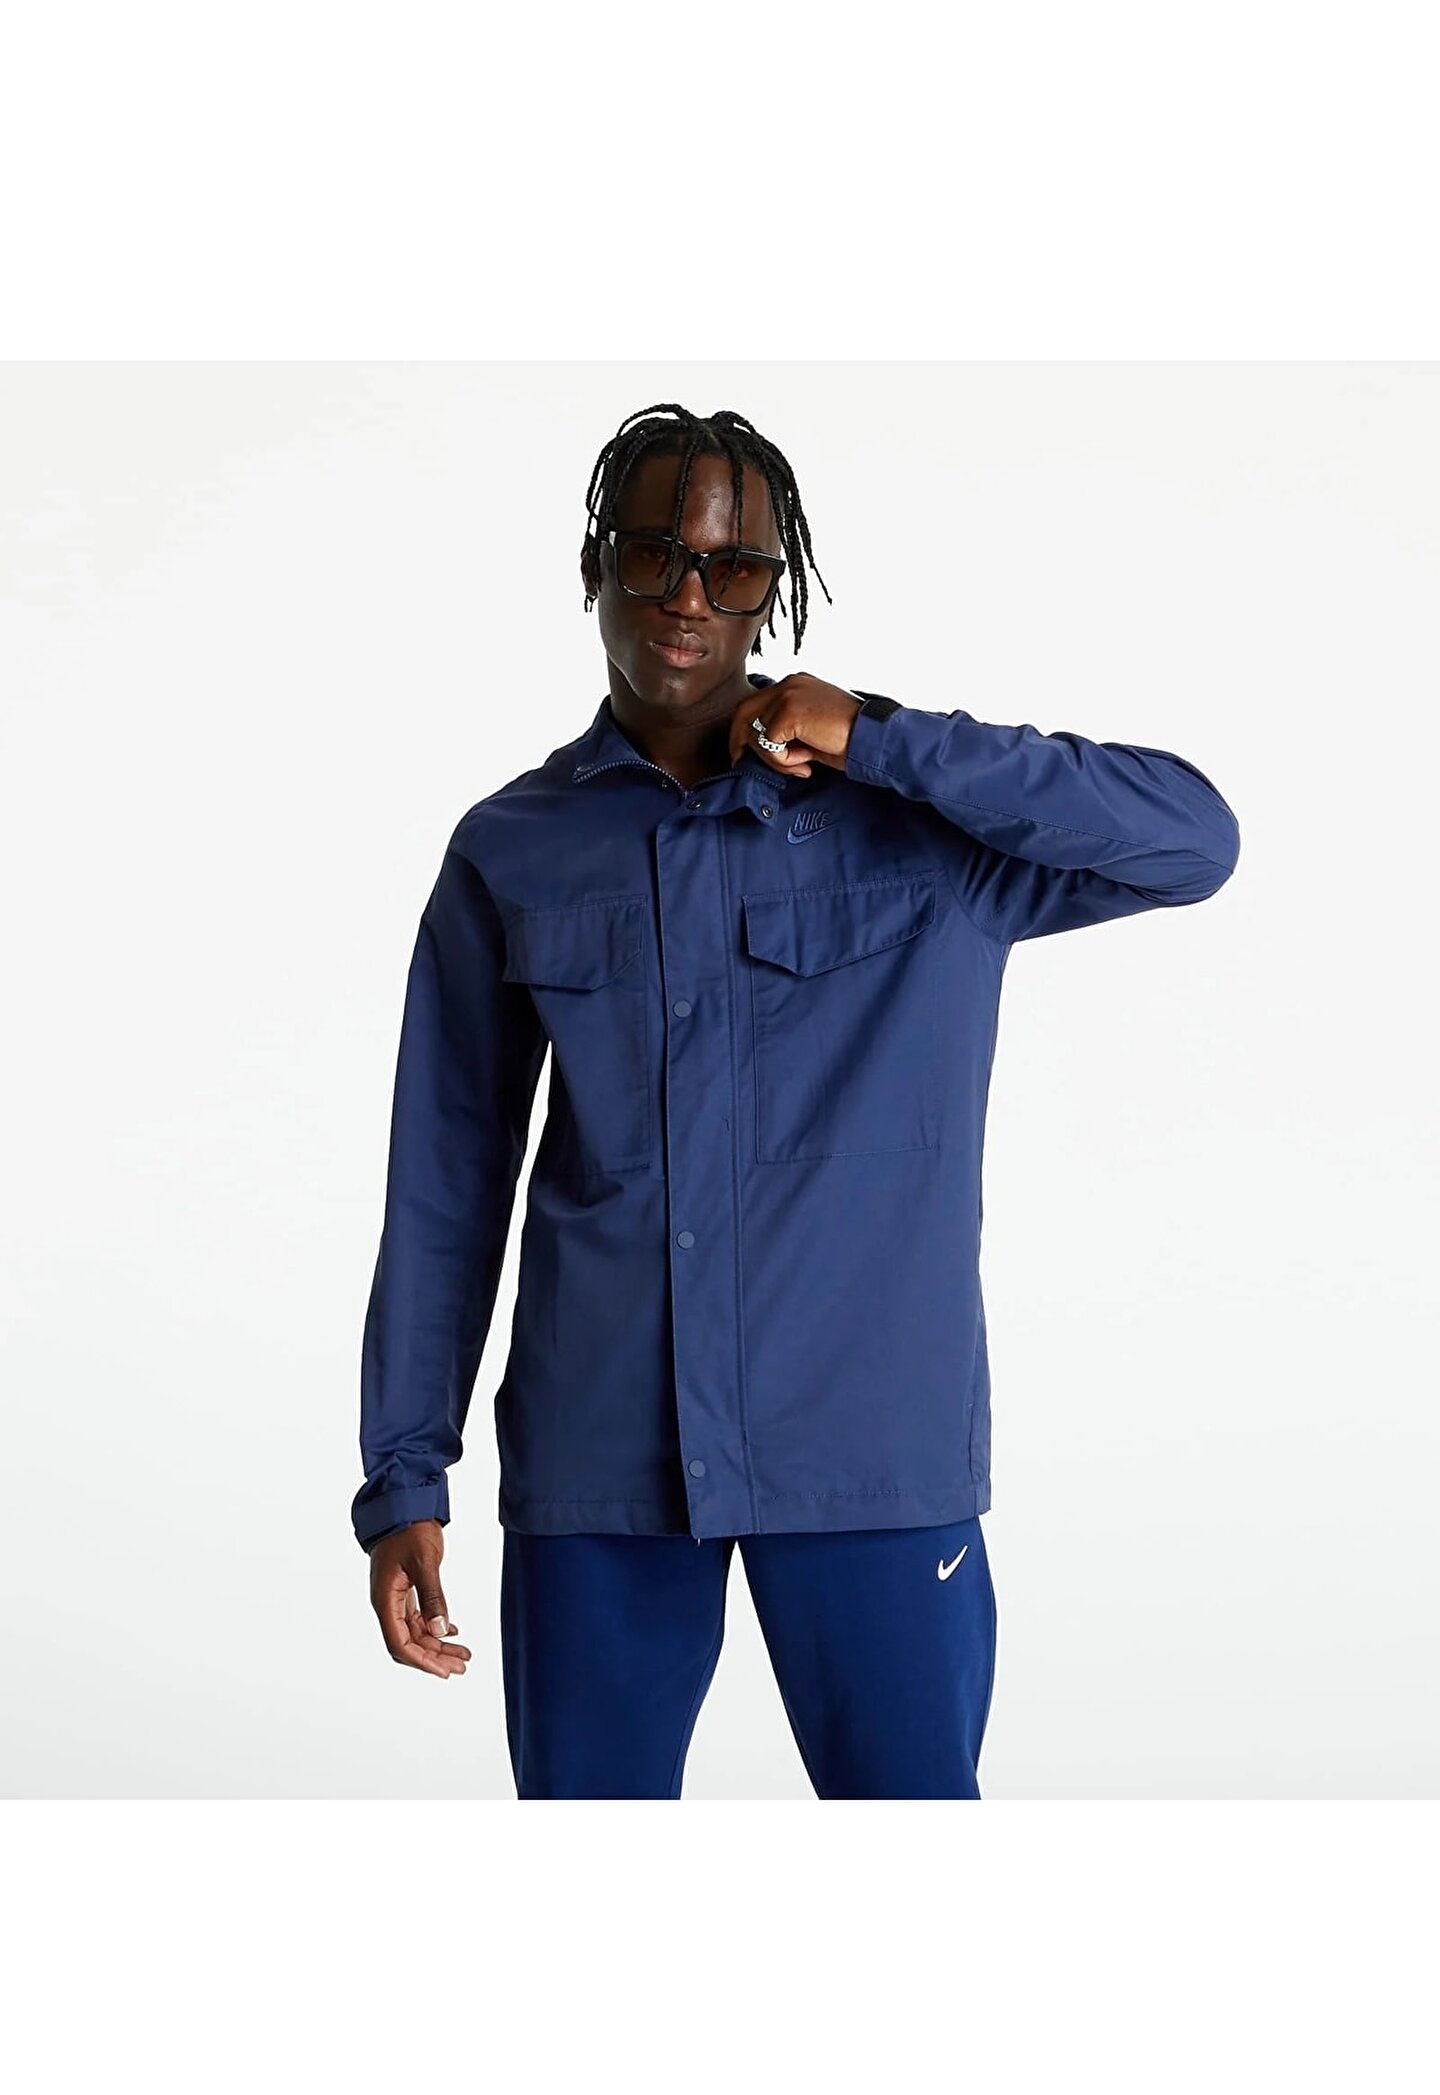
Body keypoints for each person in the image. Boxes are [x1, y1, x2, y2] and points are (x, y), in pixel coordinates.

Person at [351, 400, 1241, 1799]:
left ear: (778, 589)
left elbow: (1193, 838)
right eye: (653, 554)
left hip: (868, 1452)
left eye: (733, 566)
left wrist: (883, 736)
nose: (688, 597)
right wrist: (406, 1469)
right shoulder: (511, 847)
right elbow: (445, 1181)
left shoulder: (927, 830)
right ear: (594, 566)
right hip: (601, 1460)